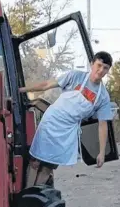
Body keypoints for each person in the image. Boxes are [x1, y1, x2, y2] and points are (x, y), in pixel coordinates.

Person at [19, 51, 113, 188]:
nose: (101, 70)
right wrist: (21, 90)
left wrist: (102, 152)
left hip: (67, 131)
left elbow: (102, 124)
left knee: (48, 166)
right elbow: (46, 85)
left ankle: (34, 196)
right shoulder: (75, 76)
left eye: (105, 68)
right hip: (51, 121)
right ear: (92, 64)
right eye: (99, 65)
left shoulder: (103, 97)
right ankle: (25, 194)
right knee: (35, 161)